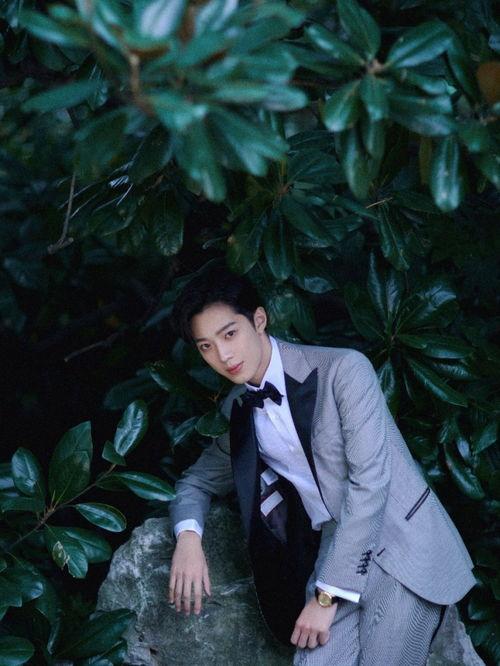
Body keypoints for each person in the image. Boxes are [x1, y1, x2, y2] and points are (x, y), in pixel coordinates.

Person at [167, 267, 475, 665]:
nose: (223, 356)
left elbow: (371, 483)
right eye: (206, 346)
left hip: (399, 542)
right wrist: (188, 539)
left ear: (259, 320)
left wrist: (326, 596)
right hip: (333, 549)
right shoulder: (237, 409)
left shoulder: (344, 370)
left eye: (230, 335)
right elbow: (197, 481)